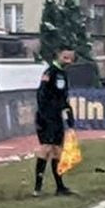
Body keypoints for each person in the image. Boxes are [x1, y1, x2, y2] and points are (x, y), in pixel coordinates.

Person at [34, 46, 76, 197]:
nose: (69, 61)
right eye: (66, 57)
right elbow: (41, 95)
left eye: (71, 58)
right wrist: (46, 116)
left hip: (57, 118)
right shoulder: (50, 73)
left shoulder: (63, 74)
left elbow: (63, 99)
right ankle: (37, 188)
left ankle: (60, 187)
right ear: (58, 56)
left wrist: (69, 117)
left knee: (58, 152)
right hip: (46, 118)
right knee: (46, 148)